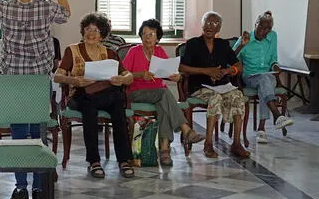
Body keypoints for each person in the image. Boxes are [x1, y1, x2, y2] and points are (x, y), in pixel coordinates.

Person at [0, 0, 70, 199]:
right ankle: (40, 190)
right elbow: (66, 12)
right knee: (39, 133)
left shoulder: (7, 7)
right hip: (39, 78)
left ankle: (20, 189)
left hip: (13, 78)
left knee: (19, 133)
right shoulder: (46, 7)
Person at [54, 12, 135, 179]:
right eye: (88, 29)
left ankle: (124, 160)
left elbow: (129, 76)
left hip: (106, 94)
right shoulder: (72, 50)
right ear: (83, 31)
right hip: (80, 94)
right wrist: (75, 81)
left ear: (102, 35)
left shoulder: (110, 53)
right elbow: (57, 76)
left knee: (118, 105)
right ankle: (94, 161)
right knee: (89, 108)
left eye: (96, 30)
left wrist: (121, 79)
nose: (91, 33)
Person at [122, 18, 205, 166]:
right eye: (144, 33)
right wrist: (140, 74)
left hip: (158, 93)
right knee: (163, 93)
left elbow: (168, 71)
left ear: (157, 37)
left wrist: (176, 76)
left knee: (163, 105)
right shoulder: (133, 51)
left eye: (152, 34)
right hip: (136, 92)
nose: (148, 37)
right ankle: (186, 129)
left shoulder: (159, 51)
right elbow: (123, 74)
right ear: (140, 36)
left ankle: (165, 150)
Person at [179, 11, 250, 158]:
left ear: (219, 28)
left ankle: (236, 144)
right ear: (202, 25)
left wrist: (229, 70)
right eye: (208, 22)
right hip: (200, 87)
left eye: (215, 23)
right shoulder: (193, 44)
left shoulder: (223, 45)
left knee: (237, 96)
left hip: (223, 85)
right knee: (215, 97)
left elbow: (238, 65)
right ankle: (208, 144)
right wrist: (206, 71)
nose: (211, 26)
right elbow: (182, 68)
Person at [233, 11, 293, 143]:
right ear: (255, 24)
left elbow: (273, 59)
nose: (264, 31)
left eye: (268, 28)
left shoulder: (273, 36)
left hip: (268, 75)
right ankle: (276, 116)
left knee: (264, 82)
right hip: (249, 77)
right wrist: (242, 45)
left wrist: (275, 66)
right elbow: (230, 59)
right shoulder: (246, 38)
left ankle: (262, 129)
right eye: (261, 26)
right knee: (264, 81)